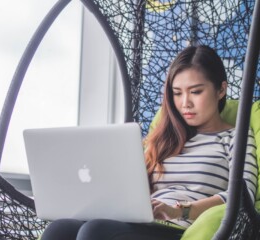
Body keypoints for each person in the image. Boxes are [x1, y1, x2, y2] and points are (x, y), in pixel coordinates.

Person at [40, 45, 258, 240]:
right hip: (143, 222)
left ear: (221, 90)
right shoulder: (166, 138)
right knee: (59, 229)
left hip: (178, 227)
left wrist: (180, 210)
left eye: (196, 92)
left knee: (95, 232)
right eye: (177, 93)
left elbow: (243, 196)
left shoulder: (235, 138)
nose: (185, 103)